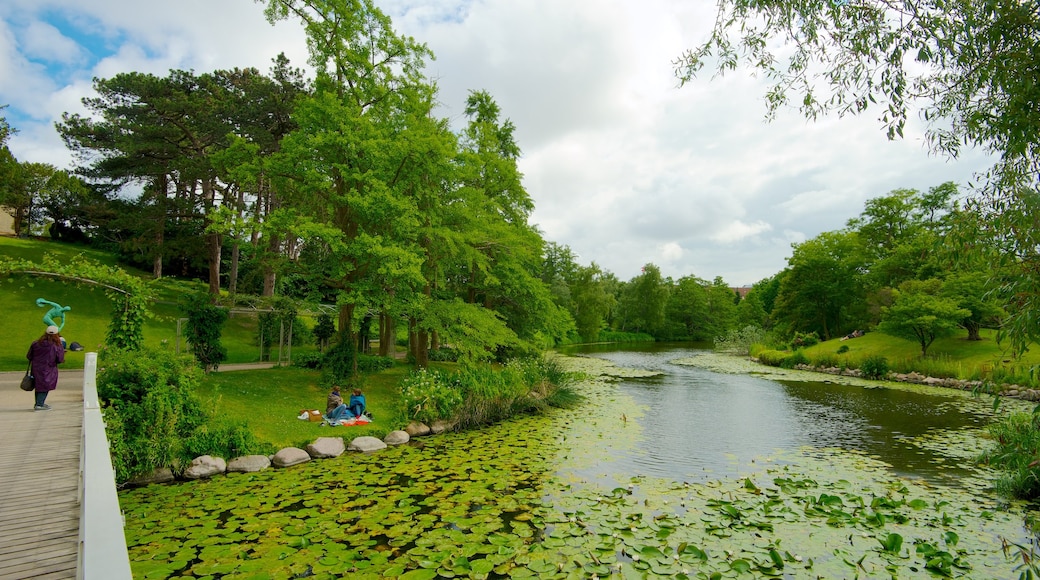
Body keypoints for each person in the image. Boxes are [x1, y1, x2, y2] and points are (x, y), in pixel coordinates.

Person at [27, 325, 65, 411]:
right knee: (45, 385)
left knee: (38, 385)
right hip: (49, 368)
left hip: (36, 368)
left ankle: (39, 402)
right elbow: (60, 359)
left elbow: (29, 356)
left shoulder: (36, 343)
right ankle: (39, 404)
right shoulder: (56, 345)